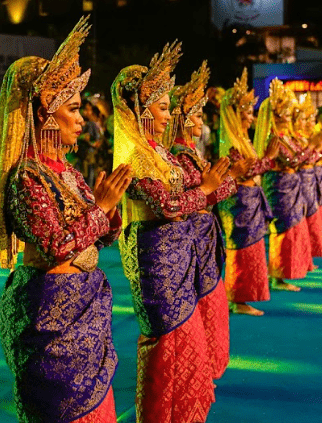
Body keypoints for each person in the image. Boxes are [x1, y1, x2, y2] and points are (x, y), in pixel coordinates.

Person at [0, 17, 130, 423]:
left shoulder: (69, 172)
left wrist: (110, 211)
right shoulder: (26, 177)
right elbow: (57, 245)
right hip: (51, 310)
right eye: (74, 108)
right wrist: (100, 209)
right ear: (46, 114)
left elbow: (98, 237)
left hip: (87, 304)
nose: (82, 119)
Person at [112, 42, 232, 423]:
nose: (170, 116)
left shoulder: (160, 154)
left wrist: (209, 189)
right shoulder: (133, 156)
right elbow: (168, 205)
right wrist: (209, 190)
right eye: (163, 107)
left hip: (181, 254)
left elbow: (185, 198)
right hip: (157, 261)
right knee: (168, 344)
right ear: (142, 109)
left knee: (189, 342)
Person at [168, 61, 244, 379]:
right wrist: (216, 185)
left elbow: (215, 188)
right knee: (204, 305)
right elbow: (206, 192)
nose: (201, 119)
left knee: (212, 304)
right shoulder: (178, 155)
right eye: (196, 114)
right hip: (193, 242)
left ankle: (207, 368)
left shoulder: (190, 154)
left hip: (204, 237)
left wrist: (220, 183)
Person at [217, 69, 279, 316]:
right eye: (247, 113)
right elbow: (242, 171)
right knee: (242, 250)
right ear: (235, 115)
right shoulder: (231, 142)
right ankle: (238, 299)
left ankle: (244, 297)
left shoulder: (243, 139)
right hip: (239, 202)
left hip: (249, 201)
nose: (251, 118)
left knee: (252, 250)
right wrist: (269, 159)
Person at [255, 80, 312, 290]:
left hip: (290, 184)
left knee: (292, 229)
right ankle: (277, 276)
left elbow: (298, 157)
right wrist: (312, 149)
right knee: (283, 229)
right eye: (286, 113)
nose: (289, 116)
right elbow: (293, 160)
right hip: (279, 185)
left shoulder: (285, 137)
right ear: (276, 115)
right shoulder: (274, 138)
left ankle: (286, 272)